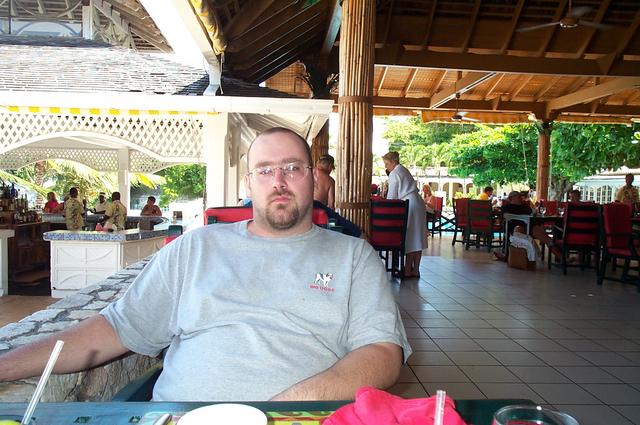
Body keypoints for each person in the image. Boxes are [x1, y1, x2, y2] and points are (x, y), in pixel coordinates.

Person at [0, 127, 410, 402]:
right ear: (248, 184)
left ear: (313, 179)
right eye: (265, 170)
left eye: (292, 168)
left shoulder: (352, 256)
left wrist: (279, 408)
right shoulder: (194, 248)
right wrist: (5, 366)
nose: (279, 181)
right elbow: (114, 329)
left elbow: (383, 352)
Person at [383, 151, 427, 278]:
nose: (386, 167)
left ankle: (407, 270)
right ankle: (415, 270)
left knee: (410, 237)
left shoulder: (394, 173)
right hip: (418, 202)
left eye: (387, 164)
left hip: (409, 204)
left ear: (393, 162)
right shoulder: (403, 170)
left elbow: (392, 197)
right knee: (417, 237)